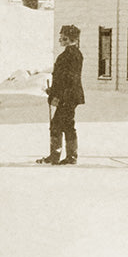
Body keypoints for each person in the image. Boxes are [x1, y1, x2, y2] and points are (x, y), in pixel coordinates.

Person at [39, 25, 84, 164]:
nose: (60, 39)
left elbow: (66, 79)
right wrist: (53, 91)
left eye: (62, 37)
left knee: (57, 124)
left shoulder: (69, 55)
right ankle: (69, 156)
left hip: (67, 96)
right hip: (70, 95)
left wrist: (56, 95)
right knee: (66, 124)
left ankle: (58, 155)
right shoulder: (73, 54)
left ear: (69, 38)